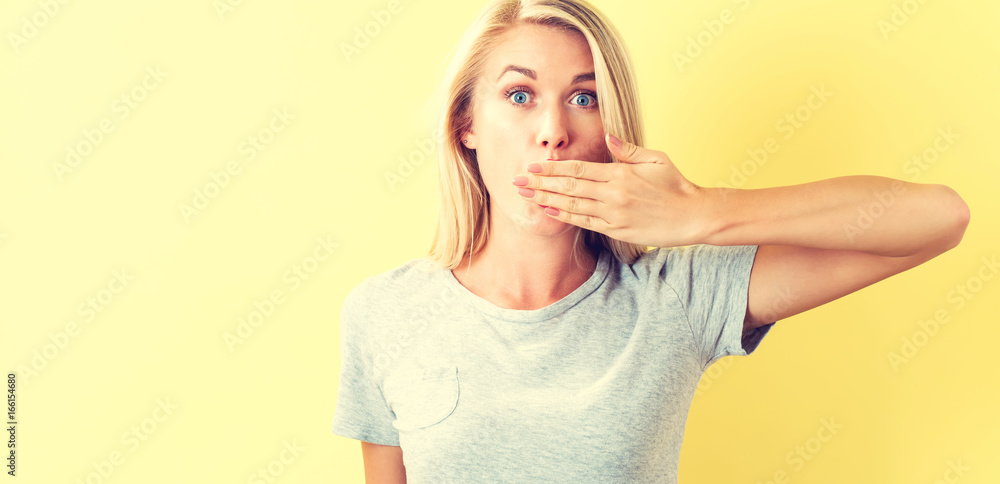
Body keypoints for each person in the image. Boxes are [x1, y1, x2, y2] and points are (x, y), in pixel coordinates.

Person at [332, 0, 970, 482]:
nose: (552, 131)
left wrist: (700, 214)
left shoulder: (677, 295)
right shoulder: (383, 312)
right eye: (520, 95)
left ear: (611, 126)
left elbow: (939, 217)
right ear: (467, 124)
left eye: (584, 97)